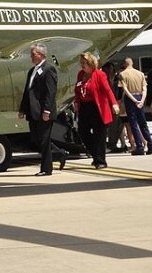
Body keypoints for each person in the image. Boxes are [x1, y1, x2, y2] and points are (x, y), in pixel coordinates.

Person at [18, 43, 66, 176]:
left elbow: (50, 92)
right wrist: (22, 109)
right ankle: (60, 153)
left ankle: (46, 169)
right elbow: (27, 92)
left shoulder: (49, 69)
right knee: (36, 139)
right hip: (32, 111)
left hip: (43, 111)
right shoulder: (32, 71)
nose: (31, 57)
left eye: (33, 54)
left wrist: (47, 110)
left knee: (44, 140)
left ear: (41, 55)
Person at [73, 52, 118, 169]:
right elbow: (77, 90)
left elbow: (108, 90)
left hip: (98, 107)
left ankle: (100, 161)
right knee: (83, 132)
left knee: (99, 135)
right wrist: (77, 103)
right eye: (81, 63)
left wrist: (114, 103)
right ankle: (96, 154)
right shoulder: (80, 74)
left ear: (91, 63)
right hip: (84, 106)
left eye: (84, 63)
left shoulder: (100, 74)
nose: (82, 65)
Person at [119, 57, 152, 155]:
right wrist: (142, 100)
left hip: (130, 98)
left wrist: (134, 100)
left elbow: (125, 89)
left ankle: (139, 147)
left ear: (125, 64)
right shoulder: (140, 74)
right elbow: (144, 88)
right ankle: (151, 145)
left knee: (133, 123)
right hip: (140, 96)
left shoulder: (122, 74)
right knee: (143, 123)